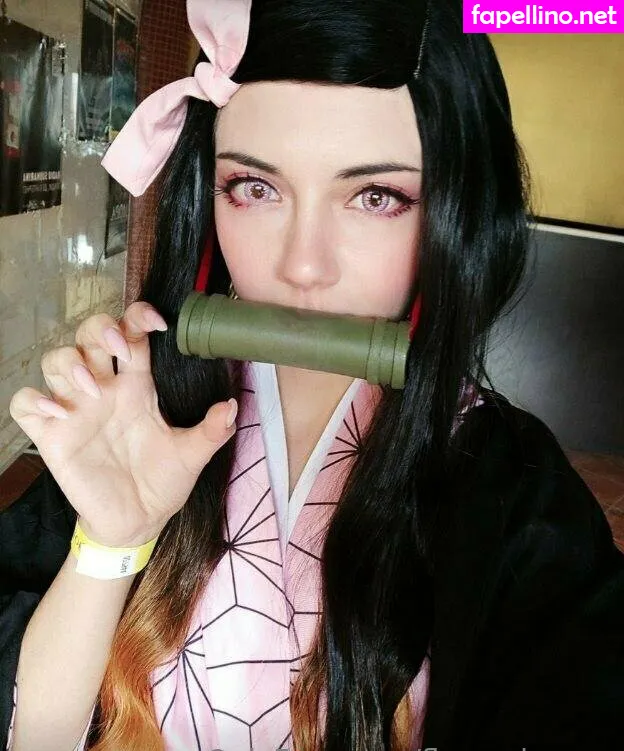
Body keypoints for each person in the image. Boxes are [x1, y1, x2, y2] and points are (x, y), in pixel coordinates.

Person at [3, 0, 624, 749]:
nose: (302, 265)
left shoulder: (518, 493)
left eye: (376, 197)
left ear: (456, 215)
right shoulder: (137, 414)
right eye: (254, 187)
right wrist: (109, 543)